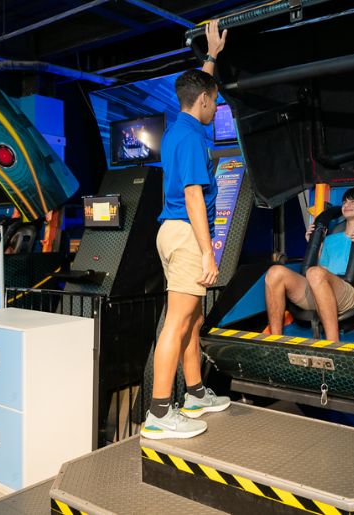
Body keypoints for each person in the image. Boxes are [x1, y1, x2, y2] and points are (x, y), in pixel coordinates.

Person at [141, 19, 229, 440]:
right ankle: (159, 413)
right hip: (186, 233)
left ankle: (193, 394)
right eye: (215, 103)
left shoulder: (181, 126)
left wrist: (211, 57)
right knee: (177, 323)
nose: (217, 109)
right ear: (206, 103)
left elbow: (200, 89)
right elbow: (195, 196)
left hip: (170, 233)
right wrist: (208, 251)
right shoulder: (192, 138)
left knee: (191, 320)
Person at [265, 188, 354, 342]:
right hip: (323, 291)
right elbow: (319, 271)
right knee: (275, 272)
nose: (346, 205)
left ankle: (332, 343)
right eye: (344, 202)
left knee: (315, 274)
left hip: (353, 293)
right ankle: (276, 340)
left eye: (353, 201)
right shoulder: (331, 240)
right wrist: (313, 245)